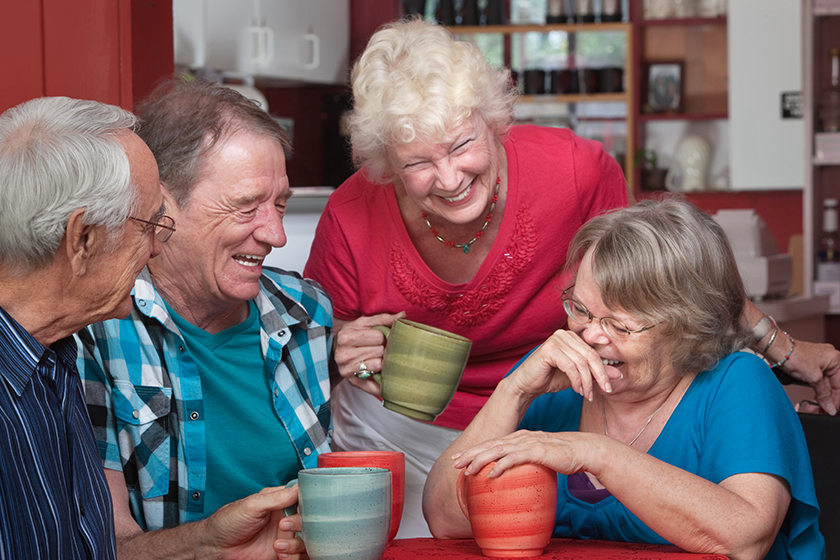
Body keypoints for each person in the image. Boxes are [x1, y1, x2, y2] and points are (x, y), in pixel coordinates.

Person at [303, 16, 840, 538]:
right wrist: (339, 352)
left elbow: (666, 275)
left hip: (578, 391)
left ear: (491, 120)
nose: (448, 178)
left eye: (462, 145)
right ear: (387, 164)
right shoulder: (352, 214)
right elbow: (304, 353)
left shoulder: (573, 172)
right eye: (417, 163)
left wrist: (784, 349)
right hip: (448, 415)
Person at [424, 197, 824, 560]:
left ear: (687, 326)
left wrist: (595, 453)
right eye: (580, 309)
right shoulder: (551, 376)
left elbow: (746, 537)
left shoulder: (737, 382)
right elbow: (445, 521)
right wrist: (513, 391)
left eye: (618, 324)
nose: (591, 335)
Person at [77, 78, 332, 560]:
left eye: (280, 204)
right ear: (161, 203)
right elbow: (100, 546)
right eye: (245, 206)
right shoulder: (95, 329)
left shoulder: (307, 310)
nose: (276, 235)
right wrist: (205, 546)